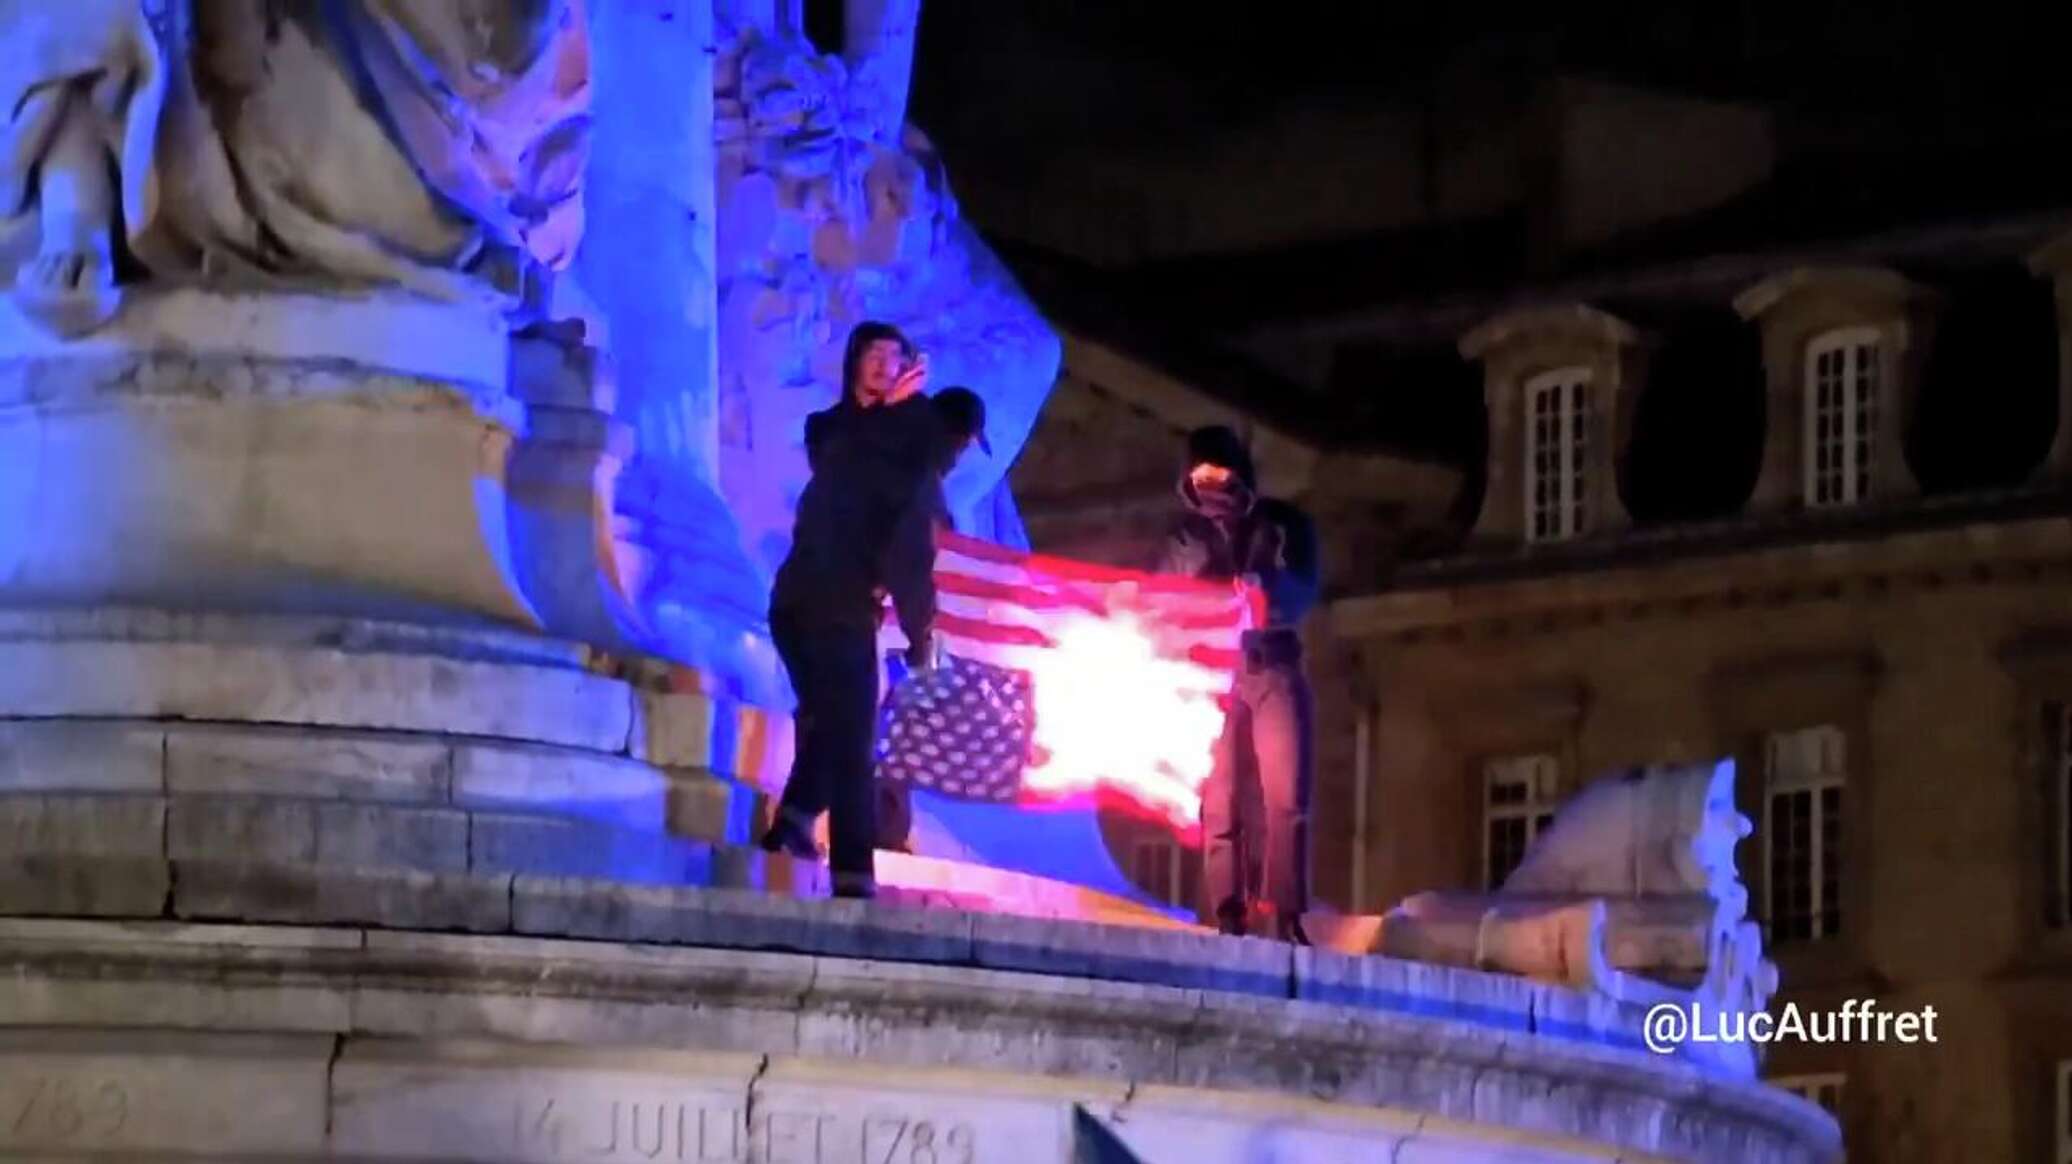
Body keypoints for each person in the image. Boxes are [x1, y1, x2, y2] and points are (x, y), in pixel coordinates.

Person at [761, 323, 980, 897]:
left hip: (813, 603)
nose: (884, 365)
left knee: (834, 721)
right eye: (874, 355)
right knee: (853, 741)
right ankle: (854, 880)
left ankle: (793, 824)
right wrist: (921, 636)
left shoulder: (901, 451)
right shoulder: (847, 437)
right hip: (822, 605)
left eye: (895, 357)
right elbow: (908, 554)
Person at [1157, 425, 1321, 944]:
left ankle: (1287, 912)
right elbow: (1164, 602)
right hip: (1213, 676)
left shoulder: (1280, 524)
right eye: (1200, 476)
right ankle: (1228, 913)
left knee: (1287, 792)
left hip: (1273, 664)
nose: (1210, 487)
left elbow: (1305, 587)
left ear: (1238, 475)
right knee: (1220, 799)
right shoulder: (1184, 538)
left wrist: (1265, 588)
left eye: (1219, 475)